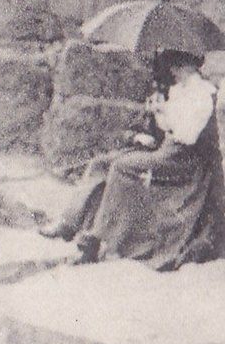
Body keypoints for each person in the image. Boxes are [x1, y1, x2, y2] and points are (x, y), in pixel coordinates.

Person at [46, 50, 222, 269]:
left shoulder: (202, 94)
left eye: (174, 67)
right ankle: (70, 221)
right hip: (166, 150)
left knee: (121, 167)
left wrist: (164, 114)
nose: (172, 72)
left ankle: (95, 238)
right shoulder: (180, 90)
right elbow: (166, 128)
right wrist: (157, 113)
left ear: (185, 66)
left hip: (181, 161)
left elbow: (186, 136)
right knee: (102, 163)